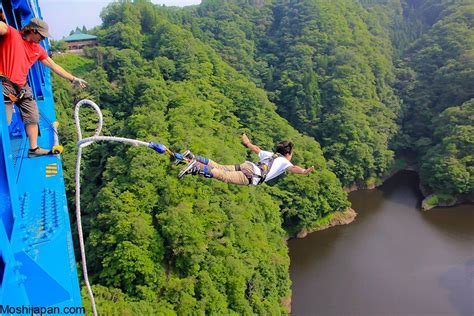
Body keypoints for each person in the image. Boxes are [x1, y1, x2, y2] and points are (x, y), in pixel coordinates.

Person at [0, 18, 87, 158]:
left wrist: (73, 78)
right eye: (41, 35)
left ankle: (33, 149)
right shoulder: (12, 34)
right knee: (5, 120)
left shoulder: (38, 50)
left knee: (32, 116)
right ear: (33, 30)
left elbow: (54, 66)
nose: (43, 39)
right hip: (5, 85)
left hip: (22, 86)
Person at [178, 133, 315, 185]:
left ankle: (192, 157)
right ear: (288, 154)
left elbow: (256, 149)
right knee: (223, 175)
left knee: (220, 167)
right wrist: (303, 171)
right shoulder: (285, 162)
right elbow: (293, 168)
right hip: (253, 175)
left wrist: (247, 142)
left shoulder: (271, 155)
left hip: (249, 166)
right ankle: (195, 167)